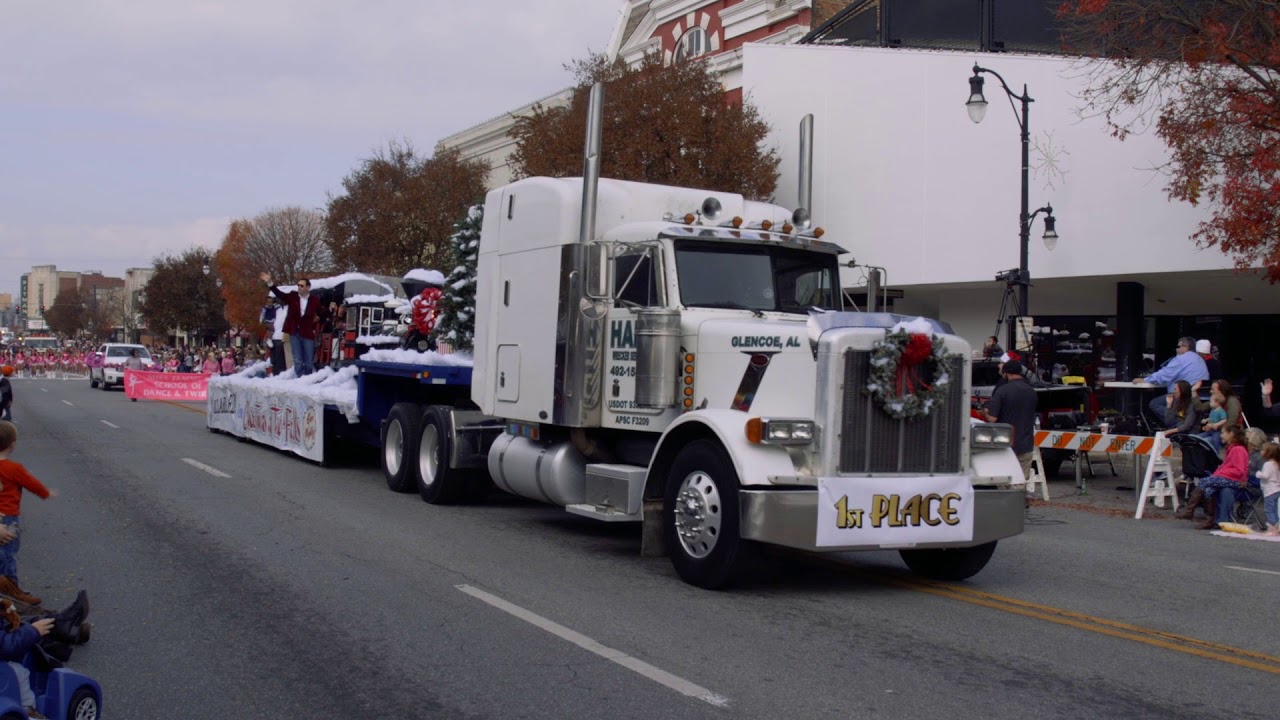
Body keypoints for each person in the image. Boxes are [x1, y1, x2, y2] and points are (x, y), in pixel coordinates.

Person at [0, 421, 54, 605]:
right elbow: (31, 483)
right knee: (8, 554)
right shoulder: (14, 469)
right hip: (8, 517)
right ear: (12, 444)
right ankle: (11, 589)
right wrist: (46, 493)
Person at [1176, 425, 1248, 530]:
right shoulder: (1233, 449)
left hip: (1235, 480)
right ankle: (1210, 519)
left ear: (1231, 434)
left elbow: (1239, 470)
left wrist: (1221, 473)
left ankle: (1189, 510)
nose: (1221, 436)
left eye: (1223, 433)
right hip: (1231, 478)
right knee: (1209, 489)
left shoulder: (1238, 449)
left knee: (1204, 481)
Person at [262, 273, 328, 376]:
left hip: (307, 332)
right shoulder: (293, 296)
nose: (299, 287)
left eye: (301, 285)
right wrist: (270, 283)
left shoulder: (314, 301)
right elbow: (280, 294)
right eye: (298, 285)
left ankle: (307, 378)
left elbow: (322, 313)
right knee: (297, 359)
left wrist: (320, 318)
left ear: (308, 287)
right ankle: (299, 379)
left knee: (309, 360)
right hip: (294, 332)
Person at [984, 360, 1038, 482]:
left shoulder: (1003, 390)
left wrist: (985, 412)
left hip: (1006, 447)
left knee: (1005, 484)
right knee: (1021, 483)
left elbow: (992, 418)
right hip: (1026, 445)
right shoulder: (1031, 391)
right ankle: (1020, 501)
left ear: (1006, 373)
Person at [1136, 337, 1209, 427]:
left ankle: (1177, 423)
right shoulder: (1200, 360)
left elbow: (1165, 374)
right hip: (1196, 396)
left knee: (1155, 404)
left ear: (1185, 347)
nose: (1177, 349)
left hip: (1183, 395)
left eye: (1178, 346)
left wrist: (1145, 379)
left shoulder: (1181, 359)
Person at [1257, 442, 1280, 536]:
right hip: (1277, 489)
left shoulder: (1267, 464)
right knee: (1275, 509)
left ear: (1268, 453)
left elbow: (1266, 476)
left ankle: (1272, 528)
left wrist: (1258, 474)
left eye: (1263, 450)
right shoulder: (1277, 464)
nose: (1261, 452)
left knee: (1269, 509)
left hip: (1269, 490)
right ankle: (1277, 526)